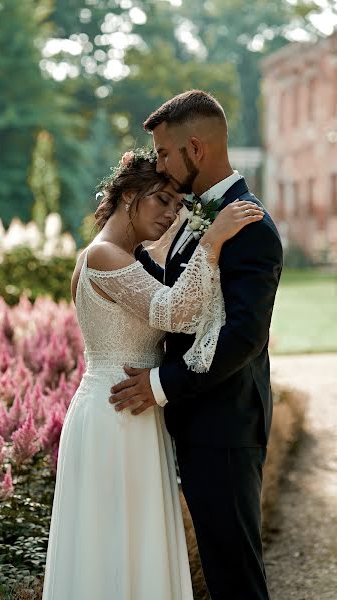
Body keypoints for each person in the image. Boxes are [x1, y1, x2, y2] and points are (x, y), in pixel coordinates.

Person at [41, 147, 264, 600]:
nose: (170, 213)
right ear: (129, 196)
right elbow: (173, 310)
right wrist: (213, 239)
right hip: (116, 414)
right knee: (113, 544)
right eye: (161, 200)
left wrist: (198, 226)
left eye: (178, 204)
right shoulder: (104, 257)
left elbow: (171, 279)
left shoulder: (124, 257)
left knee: (132, 543)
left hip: (131, 410)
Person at [109, 91, 283, 600]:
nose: (158, 164)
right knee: (219, 563)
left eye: (164, 152)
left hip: (226, 427)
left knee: (236, 576)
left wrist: (162, 385)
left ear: (196, 148)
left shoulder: (248, 225)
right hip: (198, 421)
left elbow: (245, 337)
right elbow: (176, 301)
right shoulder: (199, 216)